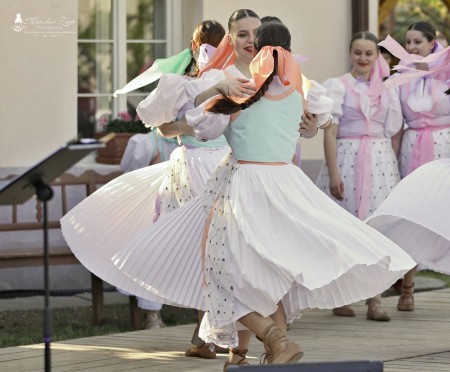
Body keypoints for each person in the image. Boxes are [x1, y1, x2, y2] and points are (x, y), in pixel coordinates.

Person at [61, 20, 415, 368]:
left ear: (259, 50)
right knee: (269, 275)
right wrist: (312, 124)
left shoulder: (239, 93)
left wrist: (213, 95)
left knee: (223, 274)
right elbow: (319, 120)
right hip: (286, 185)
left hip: (243, 186)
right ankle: (251, 354)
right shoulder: (301, 92)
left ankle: (274, 340)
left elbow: (200, 125)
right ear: (288, 53)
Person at [315, 31, 404, 321]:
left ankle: (375, 300)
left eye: (369, 53)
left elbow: (393, 132)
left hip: (379, 161)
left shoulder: (387, 90)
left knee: (377, 229)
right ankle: (341, 295)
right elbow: (330, 131)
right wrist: (333, 171)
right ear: (350, 53)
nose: (363, 58)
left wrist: (393, 169)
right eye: (358, 53)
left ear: (377, 56)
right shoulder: (337, 86)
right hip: (347, 157)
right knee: (345, 228)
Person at [377, 21, 450, 312]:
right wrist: (392, 160)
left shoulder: (446, 75)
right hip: (412, 147)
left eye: (417, 42)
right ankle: (407, 288)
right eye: (407, 42)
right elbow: (395, 125)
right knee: (412, 214)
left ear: (432, 44)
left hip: (444, 146)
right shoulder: (403, 76)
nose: (410, 48)